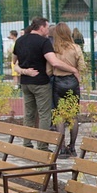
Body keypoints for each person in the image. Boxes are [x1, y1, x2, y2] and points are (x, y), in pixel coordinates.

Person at [12, 17, 78, 151]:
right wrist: (73, 69)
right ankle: (42, 145)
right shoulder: (44, 42)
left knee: (29, 114)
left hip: (25, 83)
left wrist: (23, 70)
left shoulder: (20, 40)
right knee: (44, 114)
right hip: (41, 82)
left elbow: (14, 61)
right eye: (47, 27)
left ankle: (27, 143)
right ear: (41, 27)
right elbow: (54, 62)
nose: (48, 30)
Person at [50, 22, 87, 157]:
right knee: (73, 115)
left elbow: (49, 68)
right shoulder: (76, 48)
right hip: (72, 81)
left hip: (58, 81)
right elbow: (83, 67)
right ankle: (72, 146)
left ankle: (62, 147)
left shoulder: (54, 49)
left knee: (59, 115)